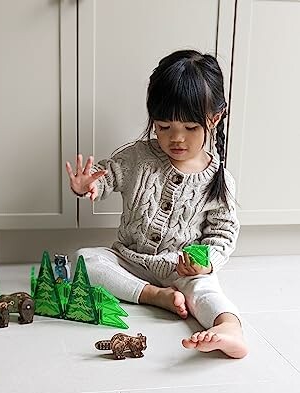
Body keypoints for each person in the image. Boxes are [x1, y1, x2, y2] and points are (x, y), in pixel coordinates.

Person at [65, 49, 248, 359]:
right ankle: (154, 296)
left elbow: (222, 235)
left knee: (205, 290)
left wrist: (205, 264)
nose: (176, 139)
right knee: (85, 260)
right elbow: (109, 174)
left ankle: (229, 329)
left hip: (181, 268)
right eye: (164, 127)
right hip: (129, 260)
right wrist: (90, 186)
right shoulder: (138, 157)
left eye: (190, 128)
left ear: (214, 118)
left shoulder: (219, 179)